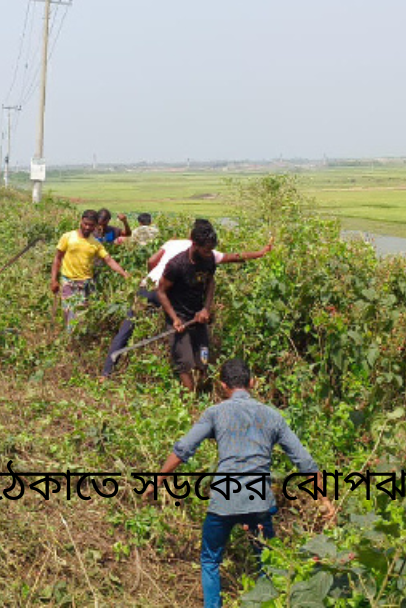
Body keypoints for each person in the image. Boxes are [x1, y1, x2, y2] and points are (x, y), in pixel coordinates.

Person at [149, 358, 335, 607]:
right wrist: (325, 500)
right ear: (252, 383)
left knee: (210, 560)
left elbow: (183, 449)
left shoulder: (215, 413)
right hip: (258, 501)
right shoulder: (272, 416)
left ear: (223, 386)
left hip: (223, 500)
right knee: (268, 563)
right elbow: (305, 462)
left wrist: (156, 481)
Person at [102, 230, 274, 380]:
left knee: (127, 328)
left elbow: (151, 260)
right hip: (168, 292)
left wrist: (152, 276)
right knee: (186, 324)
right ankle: (194, 371)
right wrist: (260, 253)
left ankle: (106, 373)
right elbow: (234, 257)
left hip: (147, 287)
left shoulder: (173, 243)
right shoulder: (205, 253)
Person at [156, 219, 225, 392]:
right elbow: (161, 291)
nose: (209, 253)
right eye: (205, 249)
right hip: (179, 317)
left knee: (203, 360)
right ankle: (189, 403)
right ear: (194, 244)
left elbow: (210, 283)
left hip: (198, 317)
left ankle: (202, 394)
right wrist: (174, 319)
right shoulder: (177, 265)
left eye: (211, 249)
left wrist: (206, 309)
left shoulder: (208, 260)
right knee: (185, 362)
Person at [50, 210, 132, 329]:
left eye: (91, 225)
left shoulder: (95, 244)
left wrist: (124, 274)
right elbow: (58, 258)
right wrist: (54, 280)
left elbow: (109, 260)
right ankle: (70, 341)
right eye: (85, 224)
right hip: (69, 282)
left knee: (82, 316)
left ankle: (78, 341)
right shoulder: (68, 237)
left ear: (95, 226)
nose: (87, 227)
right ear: (81, 222)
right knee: (70, 314)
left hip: (87, 283)